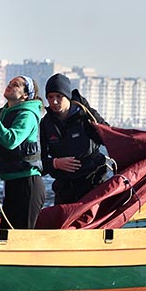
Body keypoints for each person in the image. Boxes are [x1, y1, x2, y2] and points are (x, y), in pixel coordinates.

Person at [0, 75, 46, 228]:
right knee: (7, 232)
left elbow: (11, 140)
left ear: (25, 95)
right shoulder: (2, 113)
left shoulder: (27, 115)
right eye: (10, 82)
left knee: (21, 235)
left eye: (16, 84)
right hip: (10, 183)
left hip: (28, 184)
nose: (10, 85)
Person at [40, 73, 111, 205]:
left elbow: (109, 138)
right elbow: (39, 162)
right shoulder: (45, 124)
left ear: (67, 96)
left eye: (59, 96)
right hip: (64, 185)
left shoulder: (86, 115)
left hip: (92, 182)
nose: (54, 101)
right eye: (50, 97)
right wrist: (55, 163)